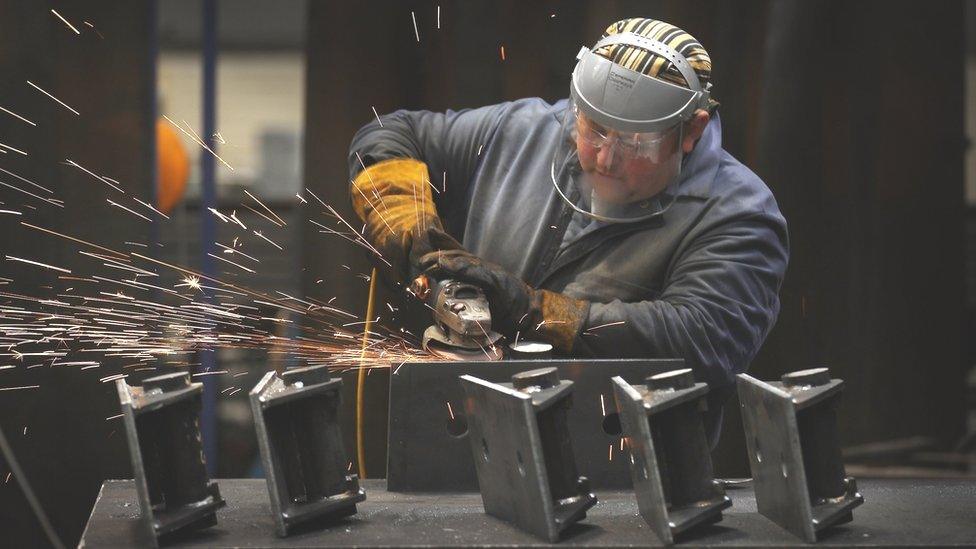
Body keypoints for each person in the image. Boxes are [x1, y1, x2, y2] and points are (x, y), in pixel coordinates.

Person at [348, 17, 788, 443]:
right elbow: (391, 133)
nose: (604, 159)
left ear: (691, 130)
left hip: (620, 482)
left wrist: (536, 312)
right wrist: (406, 220)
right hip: (471, 439)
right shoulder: (518, 132)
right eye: (594, 130)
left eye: (635, 143)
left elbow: (701, 339)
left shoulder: (739, 214)